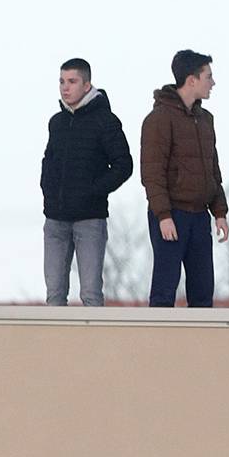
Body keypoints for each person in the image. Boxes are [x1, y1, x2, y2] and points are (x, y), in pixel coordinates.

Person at [39, 57, 133, 305]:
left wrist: (93, 191)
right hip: (55, 219)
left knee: (90, 293)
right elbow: (48, 161)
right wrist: (47, 191)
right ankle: (56, 344)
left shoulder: (105, 121)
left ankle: (94, 344)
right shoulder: (56, 123)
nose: (65, 87)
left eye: (72, 81)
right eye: (61, 81)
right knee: (54, 295)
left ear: (87, 85)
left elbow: (124, 165)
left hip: (89, 219)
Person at [140, 53, 228, 308]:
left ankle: (202, 347)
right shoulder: (158, 119)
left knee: (203, 292)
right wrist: (163, 216)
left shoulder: (205, 120)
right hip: (172, 215)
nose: (213, 83)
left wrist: (219, 212)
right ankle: (159, 345)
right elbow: (152, 173)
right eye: (208, 76)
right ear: (191, 80)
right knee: (164, 289)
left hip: (200, 215)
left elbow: (213, 169)